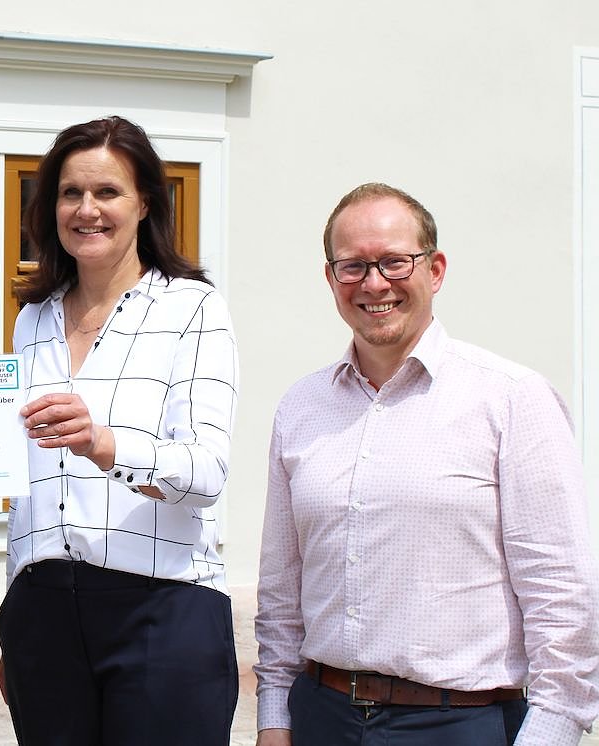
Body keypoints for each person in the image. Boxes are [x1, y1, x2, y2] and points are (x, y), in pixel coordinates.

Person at [254, 182, 599, 745]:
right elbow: (281, 590)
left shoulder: (512, 398)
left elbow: (561, 594)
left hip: (460, 723)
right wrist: (274, 716)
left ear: (435, 270)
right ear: (331, 279)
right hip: (322, 717)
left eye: (395, 261)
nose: (374, 283)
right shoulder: (302, 407)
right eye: (353, 266)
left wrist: (551, 733)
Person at [0, 116, 240, 746]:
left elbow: (207, 472)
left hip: (164, 608)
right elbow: (25, 480)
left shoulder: (194, 308)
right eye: (70, 193)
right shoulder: (33, 319)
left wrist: (104, 444)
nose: (87, 210)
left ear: (145, 203)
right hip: (44, 613)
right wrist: (16, 613)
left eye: (107, 192)